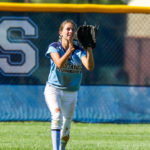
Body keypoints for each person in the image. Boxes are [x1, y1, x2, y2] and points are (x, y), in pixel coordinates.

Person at [44, 19, 94, 150]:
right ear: (60, 32)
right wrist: (68, 51)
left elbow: (89, 66)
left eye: (72, 29)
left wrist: (89, 49)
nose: (70, 31)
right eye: (67, 29)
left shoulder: (78, 50)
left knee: (66, 127)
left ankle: (62, 148)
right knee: (56, 114)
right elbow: (59, 64)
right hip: (53, 89)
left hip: (71, 92)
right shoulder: (54, 47)